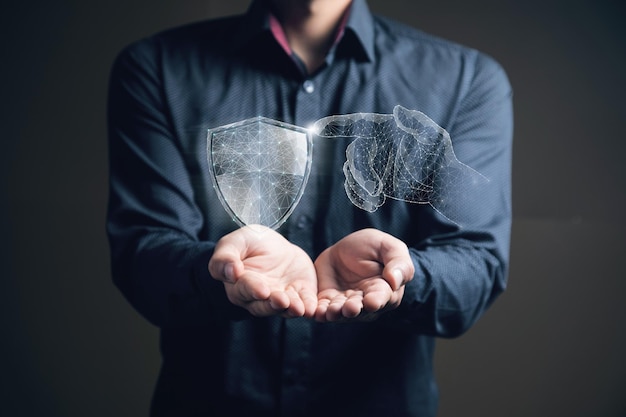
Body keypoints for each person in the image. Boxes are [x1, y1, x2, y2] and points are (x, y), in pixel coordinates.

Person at [106, 0, 513, 416]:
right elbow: (142, 256)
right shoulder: (158, 69)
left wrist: (403, 272)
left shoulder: (464, 79)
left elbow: (478, 263)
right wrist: (221, 272)